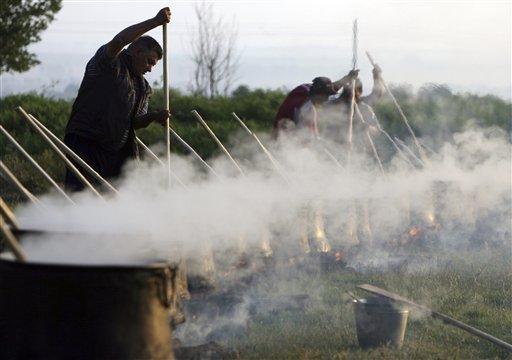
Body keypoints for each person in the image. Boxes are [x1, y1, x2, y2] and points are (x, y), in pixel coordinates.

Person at [64, 7, 172, 192]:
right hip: (86, 142)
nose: (150, 68)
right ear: (136, 51)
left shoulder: (143, 87)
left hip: (116, 150)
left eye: (154, 64)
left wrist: (154, 116)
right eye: (149, 61)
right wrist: (155, 22)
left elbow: (136, 122)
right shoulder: (108, 62)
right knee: (81, 195)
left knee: (117, 197)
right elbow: (120, 40)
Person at [272, 72, 358, 140]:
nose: (327, 99)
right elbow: (304, 133)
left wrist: (347, 78)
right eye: (326, 95)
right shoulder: (305, 107)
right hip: (284, 140)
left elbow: (331, 87)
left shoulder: (308, 88)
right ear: (319, 94)